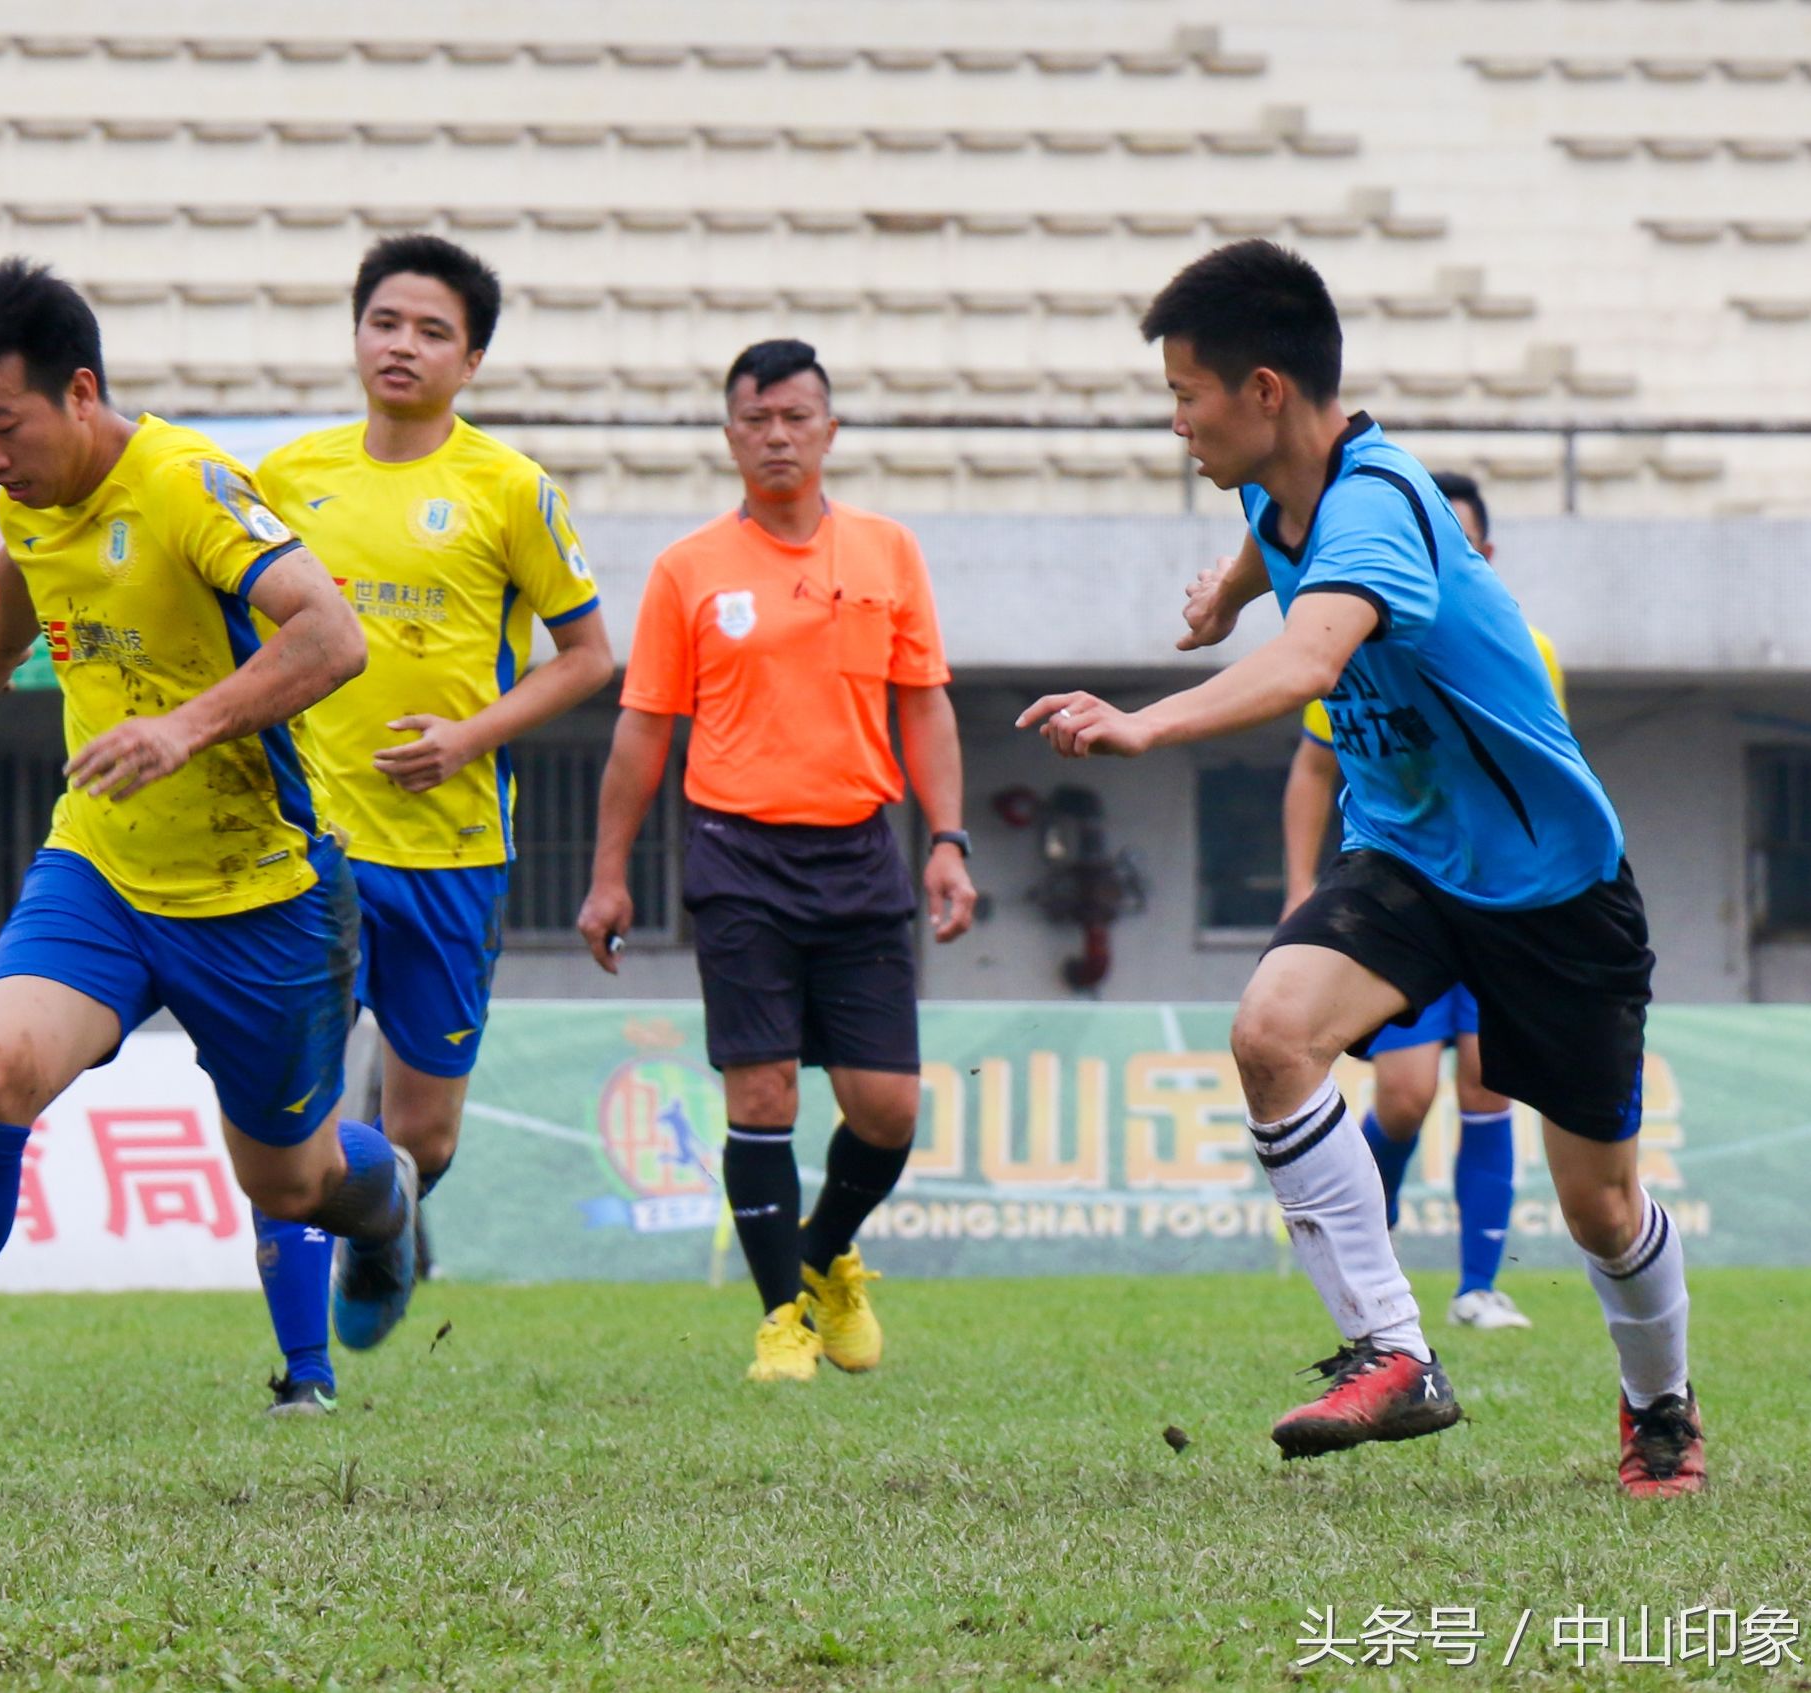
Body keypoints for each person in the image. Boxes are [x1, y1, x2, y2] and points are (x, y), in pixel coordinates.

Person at [1021, 240, 1699, 1496]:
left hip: (1554, 889)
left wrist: (1144, 717)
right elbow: (1265, 550)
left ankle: (1662, 1410)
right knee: (1274, 1033)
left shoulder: (1380, 505)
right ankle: (1392, 1351)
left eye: (1185, 394)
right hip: (1406, 860)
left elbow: (1306, 669)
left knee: (1600, 1207)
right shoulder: (1273, 489)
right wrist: (1224, 599)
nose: (1175, 422)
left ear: (1265, 389)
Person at [0, 258, 412, 1494]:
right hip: (103, 862)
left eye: (2, 424)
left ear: (80, 391)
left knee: (288, 1179)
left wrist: (187, 727)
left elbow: (331, 633)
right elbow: (26, 557)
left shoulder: (189, 486)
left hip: (263, 892)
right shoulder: (24, 491)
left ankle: (389, 1190)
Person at [248, 235, 614, 1410]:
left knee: (427, 1136)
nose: (402, 346)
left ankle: (385, 1224)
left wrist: (469, 736)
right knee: (286, 1110)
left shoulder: (511, 490)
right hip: (310, 854)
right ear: (356, 335)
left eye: (432, 331)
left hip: (454, 855)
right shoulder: (286, 479)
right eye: (385, 323)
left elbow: (590, 658)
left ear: (472, 361)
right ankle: (303, 1373)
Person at [575, 339, 978, 1384]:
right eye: (756, 419)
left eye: (797, 416)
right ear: (729, 435)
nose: (778, 435)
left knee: (888, 1106)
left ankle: (820, 1253)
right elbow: (641, 731)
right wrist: (609, 871)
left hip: (860, 852)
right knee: (761, 1098)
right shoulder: (689, 569)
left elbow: (924, 702)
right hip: (736, 853)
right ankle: (779, 1319)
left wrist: (946, 838)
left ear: (830, 430)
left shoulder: (888, 552)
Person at [1280, 472, 1564, 1333]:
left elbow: (1547, 772)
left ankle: (1479, 1284)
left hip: (1501, 900)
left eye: (1471, 546)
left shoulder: (1526, 647)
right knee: (1402, 1095)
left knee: (1487, 1085)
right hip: (1402, 895)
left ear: (1484, 556)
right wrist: (1300, 886)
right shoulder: (1355, 652)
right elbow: (1313, 769)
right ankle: (1373, 1239)